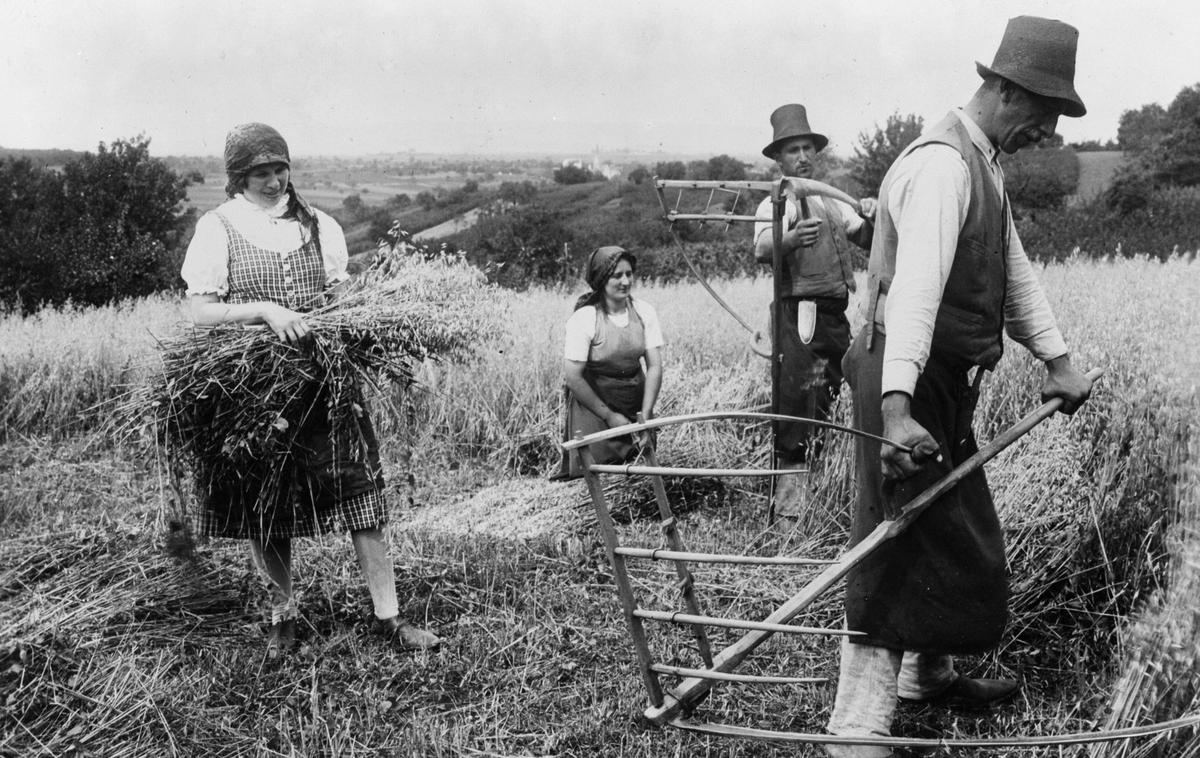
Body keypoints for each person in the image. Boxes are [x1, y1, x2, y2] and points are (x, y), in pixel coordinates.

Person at [826, 17, 1094, 757]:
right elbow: (913, 296)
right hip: (904, 380)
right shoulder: (945, 167)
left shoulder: (981, 163)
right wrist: (897, 410)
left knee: (953, 533)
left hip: (933, 381)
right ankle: (855, 731)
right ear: (1010, 90)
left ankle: (927, 677)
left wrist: (1057, 359)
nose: (1047, 127)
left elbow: (1012, 276)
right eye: (1045, 110)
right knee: (892, 543)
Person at [180, 123, 440, 656]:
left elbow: (345, 306)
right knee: (267, 502)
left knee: (361, 495)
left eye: (281, 169)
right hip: (255, 389)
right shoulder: (218, 227)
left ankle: (389, 617)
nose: (274, 181)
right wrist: (265, 311)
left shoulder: (320, 226)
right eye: (261, 173)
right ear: (239, 176)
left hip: (326, 383)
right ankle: (282, 617)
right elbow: (200, 312)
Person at [752, 104, 875, 521]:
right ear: (778, 158)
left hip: (833, 316)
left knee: (838, 395)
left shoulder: (828, 200)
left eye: (807, 148)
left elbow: (866, 238)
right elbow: (761, 250)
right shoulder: (777, 203)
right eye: (793, 150)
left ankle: (829, 498)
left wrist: (876, 215)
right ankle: (788, 512)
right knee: (799, 402)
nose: (802, 157)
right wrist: (789, 239)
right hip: (799, 315)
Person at [553, 246, 664, 480]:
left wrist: (646, 416)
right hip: (595, 409)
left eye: (629, 273)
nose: (625, 281)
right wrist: (609, 416)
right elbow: (573, 376)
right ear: (602, 279)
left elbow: (654, 366)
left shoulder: (644, 312)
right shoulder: (585, 319)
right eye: (617, 276)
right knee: (601, 475)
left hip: (634, 402)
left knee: (642, 472)